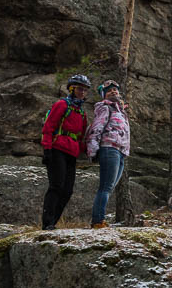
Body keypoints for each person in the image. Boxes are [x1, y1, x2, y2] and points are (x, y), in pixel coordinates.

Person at [41, 74, 91, 230]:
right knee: (56, 185)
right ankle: (47, 223)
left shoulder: (82, 112)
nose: (82, 92)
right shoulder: (62, 105)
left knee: (67, 190)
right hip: (57, 149)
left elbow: (81, 137)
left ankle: (53, 223)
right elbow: (48, 128)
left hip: (72, 153)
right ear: (72, 89)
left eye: (85, 90)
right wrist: (47, 149)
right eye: (79, 89)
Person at [85, 79, 130, 229]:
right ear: (103, 95)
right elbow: (96, 129)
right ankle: (97, 221)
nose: (113, 91)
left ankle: (99, 220)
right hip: (109, 148)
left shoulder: (121, 111)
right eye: (109, 90)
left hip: (120, 152)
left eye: (115, 89)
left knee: (109, 187)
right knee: (105, 187)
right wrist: (92, 150)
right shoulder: (105, 108)